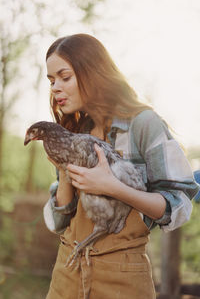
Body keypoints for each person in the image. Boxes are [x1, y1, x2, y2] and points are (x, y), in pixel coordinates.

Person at [43, 33, 199, 299]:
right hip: (67, 272)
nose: (56, 87)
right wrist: (65, 169)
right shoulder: (75, 130)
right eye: (52, 80)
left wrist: (113, 187)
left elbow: (179, 204)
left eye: (64, 77)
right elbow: (60, 222)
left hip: (121, 278)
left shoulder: (143, 124)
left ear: (92, 72)